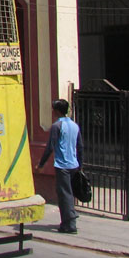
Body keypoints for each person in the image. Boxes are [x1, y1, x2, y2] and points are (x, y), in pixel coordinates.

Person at [37, 98, 84, 234]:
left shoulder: (56, 126)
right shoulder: (75, 126)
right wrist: (80, 164)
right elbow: (80, 146)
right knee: (67, 194)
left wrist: (41, 164)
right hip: (73, 165)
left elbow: (50, 147)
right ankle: (66, 222)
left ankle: (70, 224)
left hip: (62, 165)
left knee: (65, 194)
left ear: (56, 111)